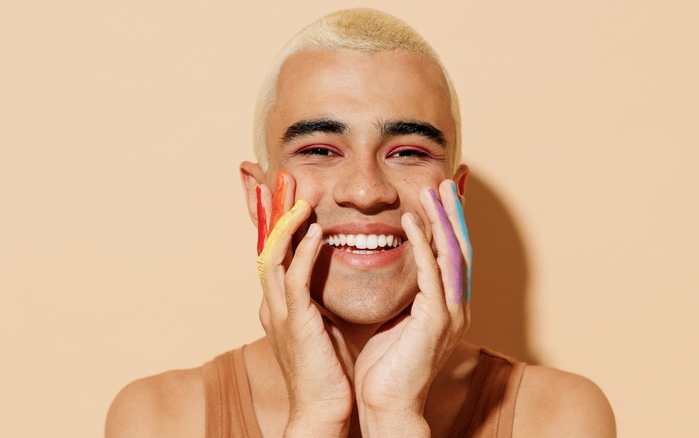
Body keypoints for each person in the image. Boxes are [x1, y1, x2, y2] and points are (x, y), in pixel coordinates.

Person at [105, 8, 615, 437]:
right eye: (321, 150)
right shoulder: (160, 418)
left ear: (455, 197)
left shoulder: (557, 417)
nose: (367, 190)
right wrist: (317, 416)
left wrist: (394, 416)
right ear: (259, 199)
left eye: (409, 152)